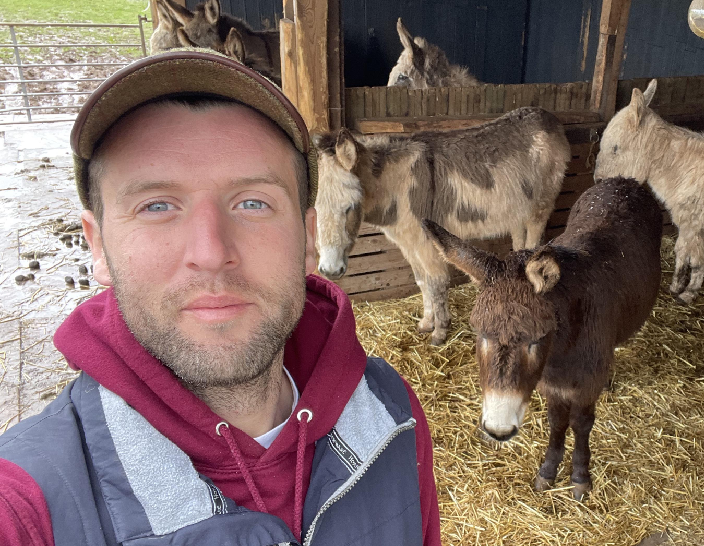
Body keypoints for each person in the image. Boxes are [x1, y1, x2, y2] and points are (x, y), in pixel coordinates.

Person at [0, 50, 440, 546]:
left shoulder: (390, 415)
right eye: (157, 205)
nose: (210, 253)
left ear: (310, 239)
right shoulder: (28, 504)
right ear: (98, 246)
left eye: (253, 202)